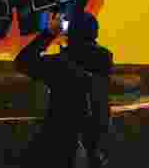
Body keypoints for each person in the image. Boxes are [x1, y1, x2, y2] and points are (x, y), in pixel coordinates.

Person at [13, 11, 113, 167]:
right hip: (94, 144)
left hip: (61, 146)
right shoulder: (104, 59)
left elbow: (22, 61)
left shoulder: (60, 64)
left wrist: (50, 33)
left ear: (69, 32)